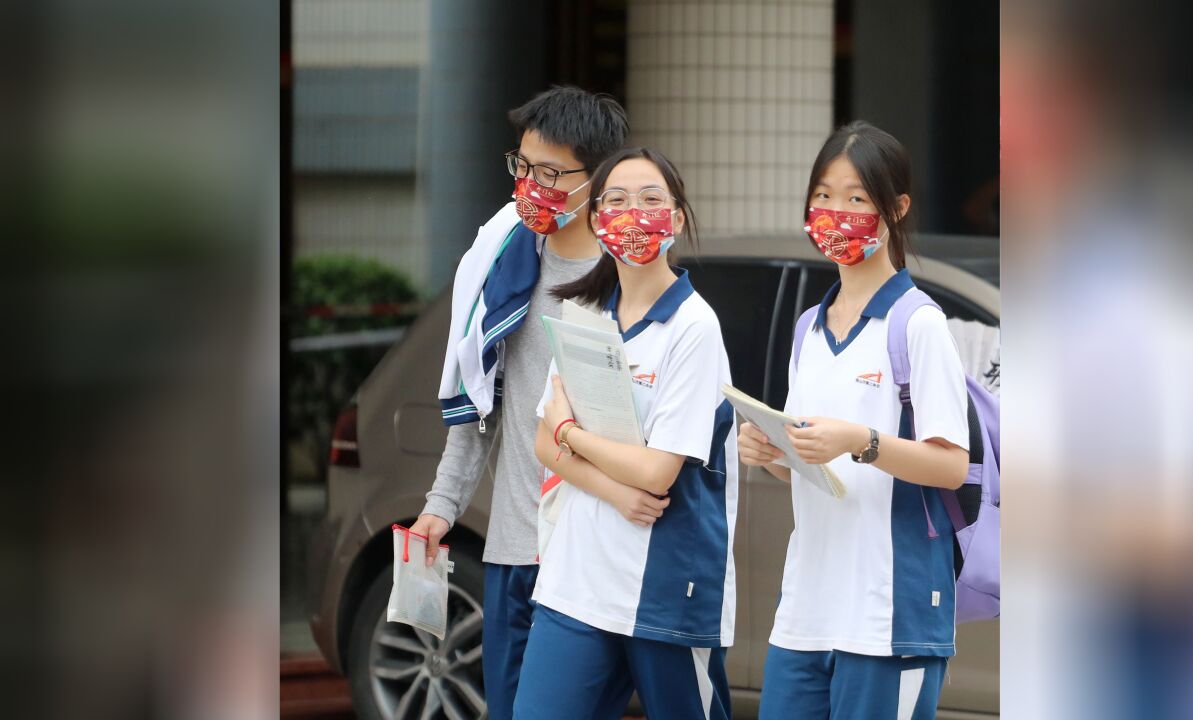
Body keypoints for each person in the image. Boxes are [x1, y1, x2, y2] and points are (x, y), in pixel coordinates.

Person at [408, 85, 628, 720]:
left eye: (553, 173)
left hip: (593, 549)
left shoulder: (629, 281)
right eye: (523, 167)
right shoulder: (503, 265)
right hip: (514, 546)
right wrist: (440, 508)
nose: (533, 185)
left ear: (599, 178)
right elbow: (480, 403)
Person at [741, 121, 971, 720]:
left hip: (887, 615)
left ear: (896, 209)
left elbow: (951, 466)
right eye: (823, 194)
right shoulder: (808, 330)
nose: (834, 211)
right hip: (805, 612)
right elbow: (811, 472)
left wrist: (861, 441)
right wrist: (776, 455)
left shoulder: (918, 325)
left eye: (856, 198)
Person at [512, 147, 737, 720]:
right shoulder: (584, 312)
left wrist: (573, 434)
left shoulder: (694, 327)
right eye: (615, 200)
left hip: (666, 588)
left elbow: (658, 472)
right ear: (596, 221)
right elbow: (542, 445)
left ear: (678, 218)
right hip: (577, 580)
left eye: (650, 199)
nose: (632, 213)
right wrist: (611, 488)